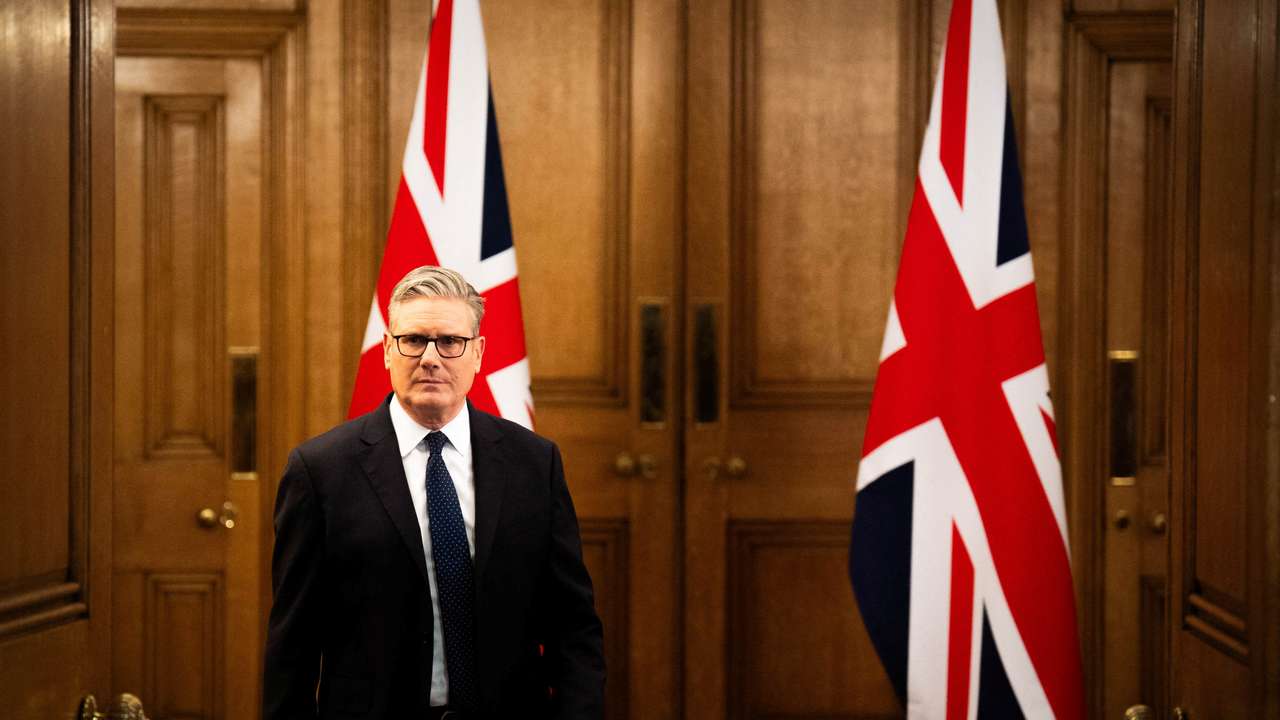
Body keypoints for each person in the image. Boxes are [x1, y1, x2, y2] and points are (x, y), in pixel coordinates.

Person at [263, 266, 605, 719]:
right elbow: (294, 644)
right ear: (387, 350)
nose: (430, 357)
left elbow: (572, 625)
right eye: (413, 340)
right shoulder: (320, 471)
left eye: (450, 342)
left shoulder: (534, 464)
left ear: (478, 353)